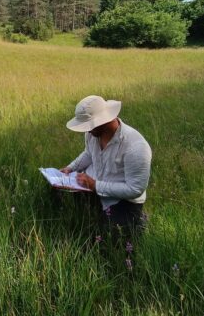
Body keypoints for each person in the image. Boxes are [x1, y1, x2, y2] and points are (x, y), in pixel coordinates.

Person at [60, 95, 152, 238]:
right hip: (92, 187)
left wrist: (95, 185)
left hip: (122, 199)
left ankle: (137, 221)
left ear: (104, 121)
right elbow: (89, 154)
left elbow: (135, 189)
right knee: (66, 210)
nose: (88, 131)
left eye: (89, 126)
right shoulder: (92, 134)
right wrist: (70, 168)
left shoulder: (136, 147)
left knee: (110, 238)